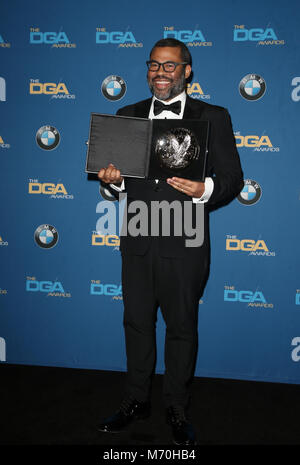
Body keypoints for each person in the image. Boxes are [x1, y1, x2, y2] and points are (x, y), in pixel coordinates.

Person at [97, 38, 243, 445]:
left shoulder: (213, 116)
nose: (160, 73)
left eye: (169, 66)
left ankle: (176, 407)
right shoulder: (126, 115)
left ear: (186, 71)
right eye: (154, 66)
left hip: (186, 241)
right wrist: (113, 183)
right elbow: (117, 185)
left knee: (182, 328)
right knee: (136, 324)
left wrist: (203, 189)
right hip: (139, 237)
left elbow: (233, 179)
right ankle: (135, 400)